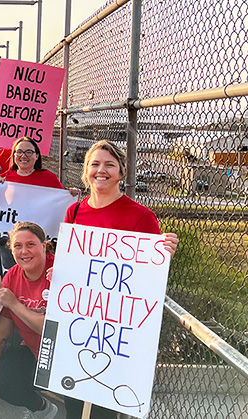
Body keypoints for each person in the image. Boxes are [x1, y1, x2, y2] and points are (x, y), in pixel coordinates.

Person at [60, 140, 177, 418]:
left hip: (116, 329)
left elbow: (148, 275)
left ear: (122, 172)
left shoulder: (141, 217)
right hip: (80, 324)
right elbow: (73, 264)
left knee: (103, 409)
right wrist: (59, 272)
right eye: (95, 164)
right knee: (73, 404)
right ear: (86, 170)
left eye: (109, 165)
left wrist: (164, 255)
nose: (102, 170)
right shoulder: (74, 212)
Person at [0, 222, 59, 419]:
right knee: (1, 382)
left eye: (30, 245)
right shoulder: (12, 277)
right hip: (35, 352)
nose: (24, 251)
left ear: (44, 246)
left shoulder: (58, 271)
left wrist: (15, 304)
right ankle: (43, 409)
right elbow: (3, 327)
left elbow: (51, 329)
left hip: (64, 354)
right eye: (18, 246)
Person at [0, 136, 64, 189]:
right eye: (19, 152)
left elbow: (63, 201)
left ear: (36, 156)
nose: (23, 156)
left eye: (29, 152)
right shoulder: (3, 179)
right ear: (14, 155)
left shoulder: (49, 178)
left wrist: (72, 194)